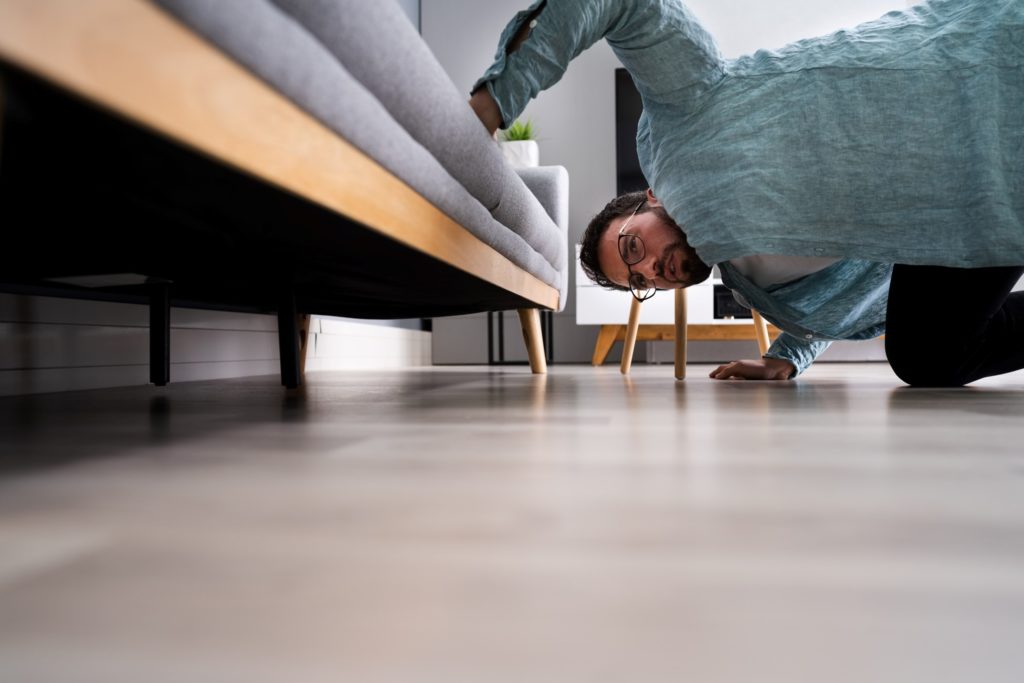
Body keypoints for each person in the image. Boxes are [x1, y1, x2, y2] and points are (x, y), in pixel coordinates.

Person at [468, 0, 1024, 385]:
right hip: (965, 214)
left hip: (975, 82)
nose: (654, 272)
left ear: (650, 199)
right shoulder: (748, 280)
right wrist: (789, 356)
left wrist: (496, 101)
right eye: (638, 282)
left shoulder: (684, 118)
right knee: (927, 358)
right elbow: (837, 288)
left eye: (634, 248)